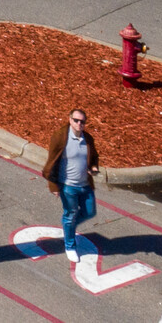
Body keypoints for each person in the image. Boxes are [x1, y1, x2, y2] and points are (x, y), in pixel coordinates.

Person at [43, 108, 101, 261]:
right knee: (70, 214)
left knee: (89, 212)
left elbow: (94, 157)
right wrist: (54, 186)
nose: (79, 123)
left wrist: (94, 168)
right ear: (69, 120)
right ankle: (70, 246)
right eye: (76, 120)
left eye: (82, 121)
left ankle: (68, 226)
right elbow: (52, 162)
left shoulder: (87, 139)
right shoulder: (60, 137)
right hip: (67, 185)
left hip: (85, 184)